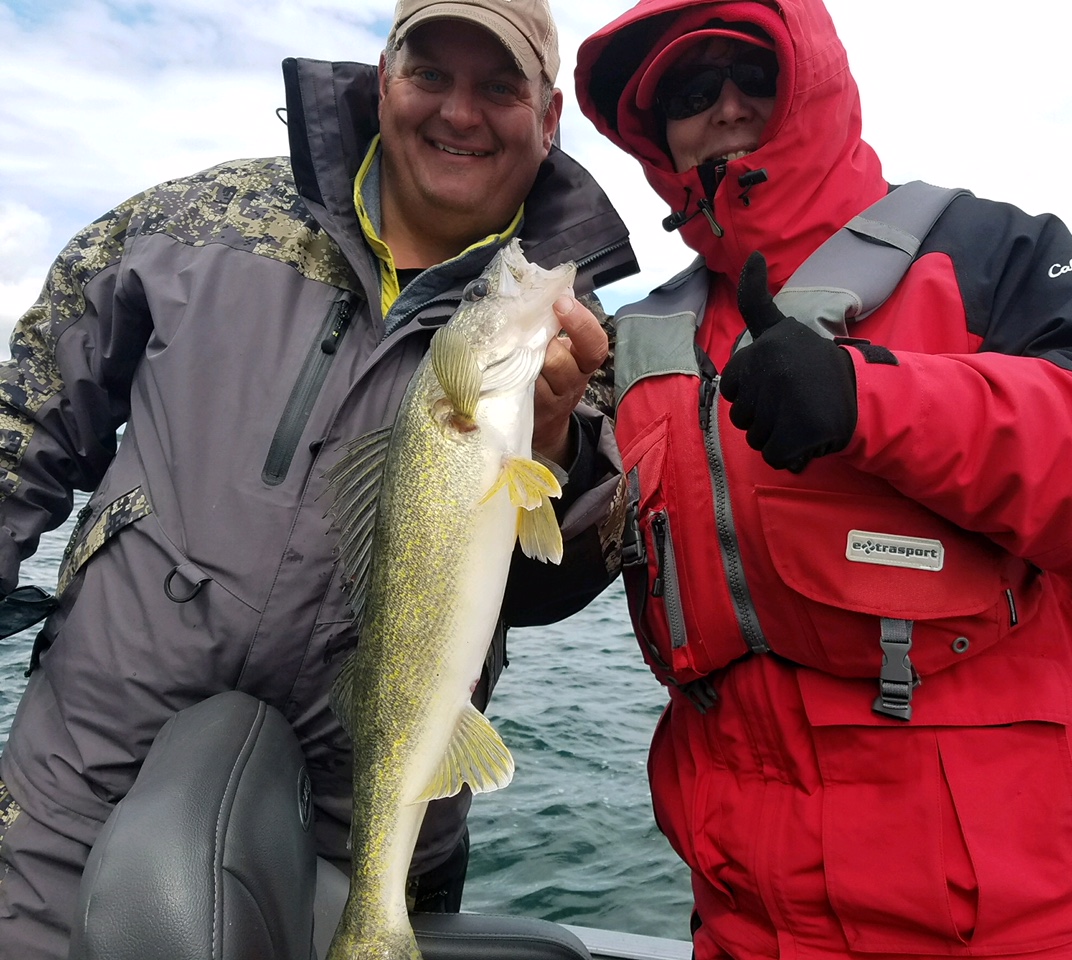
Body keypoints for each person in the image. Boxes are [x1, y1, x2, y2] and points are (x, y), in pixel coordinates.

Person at [575, 1, 1072, 958]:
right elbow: (553, 558)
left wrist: (873, 402)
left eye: (754, 72)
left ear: (812, 77)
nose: (727, 106)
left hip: (1027, 931)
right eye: (689, 90)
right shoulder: (638, 345)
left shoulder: (989, 248)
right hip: (747, 928)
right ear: (655, 130)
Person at [0, 0, 638, 955]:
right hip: (81, 781)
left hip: (368, 820)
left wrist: (554, 458)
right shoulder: (198, 222)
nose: (460, 113)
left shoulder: (577, 338)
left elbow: (556, 585)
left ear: (548, 119)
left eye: (500, 87)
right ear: (383, 81)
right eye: (431, 76)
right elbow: (23, 425)